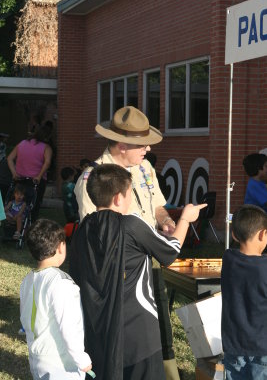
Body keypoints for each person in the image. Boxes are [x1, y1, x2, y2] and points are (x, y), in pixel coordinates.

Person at [70, 164, 206, 380]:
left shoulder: (84, 227)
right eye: (129, 194)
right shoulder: (131, 224)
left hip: (100, 328)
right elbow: (170, 252)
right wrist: (186, 219)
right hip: (139, 329)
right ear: (118, 198)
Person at [74, 106, 180, 379]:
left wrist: (166, 221)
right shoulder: (92, 178)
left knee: (158, 331)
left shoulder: (144, 168)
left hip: (149, 265)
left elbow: (157, 206)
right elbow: (96, 236)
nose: (147, 148)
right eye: (142, 144)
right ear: (122, 145)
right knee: (125, 342)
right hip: (117, 281)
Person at [20, 218, 92, 379]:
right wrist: (81, 359)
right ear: (61, 247)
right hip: (61, 363)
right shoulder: (62, 282)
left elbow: (24, 316)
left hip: (37, 358)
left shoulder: (27, 280)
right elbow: (69, 326)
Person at [221, 204, 267, 380]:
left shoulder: (228, 259)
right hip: (262, 349)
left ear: (233, 235)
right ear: (263, 234)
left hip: (233, 347)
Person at [7, 124, 53, 221]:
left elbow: (10, 158)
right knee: (34, 205)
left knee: (16, 203)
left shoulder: (22, 143)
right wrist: (39, 176)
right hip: (35, 181)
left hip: (19, 179)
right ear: (47, 136)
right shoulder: (46, 147)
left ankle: (13, 225)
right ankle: (30, 224)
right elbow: (47, 163)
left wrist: (14, 173)